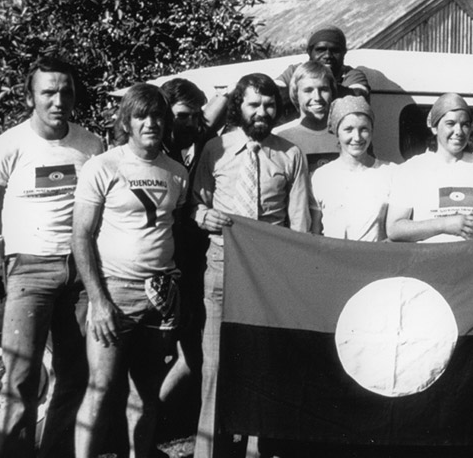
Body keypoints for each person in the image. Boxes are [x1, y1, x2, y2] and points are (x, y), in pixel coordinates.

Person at [0, 57, 104, 458]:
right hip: (30, 270)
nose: (58, 100)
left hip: (81, 273)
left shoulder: (91, 144)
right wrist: (16, 251)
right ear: (30, 95)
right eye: (48, 91)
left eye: (66, 91)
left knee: (75, 374)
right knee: (19, 379)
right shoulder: (6, 146)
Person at [191, 72, 311, 458]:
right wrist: (202, 215)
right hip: (223, 266)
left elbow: (299, 226)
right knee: (216, 367)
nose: (262, 112)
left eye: (269, 105)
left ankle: (258, 451)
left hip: (269, 274)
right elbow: (196, 202)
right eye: (254, 105)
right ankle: (210, 452)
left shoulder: (290, 155)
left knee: (263, 366)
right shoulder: (215, 149)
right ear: (238, 107)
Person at [71, 83, 190, 458]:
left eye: (157, 115)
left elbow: (176, 228)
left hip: (160, 293)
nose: (150, 123)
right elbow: (82, 236)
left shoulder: (177, 172)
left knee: (146, 392)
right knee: (101, 387)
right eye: (141, 116)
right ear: (127, 121)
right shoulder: (104, 165)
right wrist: (98, 300)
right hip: (113, 290)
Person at [157, 78, 212, 435]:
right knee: (147, 360)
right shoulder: (156, 156)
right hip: (157, 271)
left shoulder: (198, 148)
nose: (189, 124)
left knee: (193, 357)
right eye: (181, 116)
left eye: (194, 117)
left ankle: (149, 423)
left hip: (189, 270)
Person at [387, 92, 473, 243]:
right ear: (434, 127)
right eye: (450, 124)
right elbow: (394, 228)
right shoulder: (411, 169)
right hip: (430, 260)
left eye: (465, 125)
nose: (458, 131)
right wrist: (444, 225)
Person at [310, 95, 395, 241]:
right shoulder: (321, 176)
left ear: (372, 131)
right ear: (337, 132)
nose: (357, 137)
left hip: (375, 259)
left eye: (364, 129)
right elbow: (314, 232)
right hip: (333, 260)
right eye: (348, 129)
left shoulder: (390, 172)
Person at [273, 26, 370, 120]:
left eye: (335, 50)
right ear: (309, 52)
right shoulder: (296, 70)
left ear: (344, 52)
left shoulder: (351, 74)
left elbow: (356, 99)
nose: (328, 55)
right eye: (321, 50)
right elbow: (272, 92)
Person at [274, 61, 340, 173]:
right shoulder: (279, 137)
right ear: (296, 94)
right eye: (308, 90)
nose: (317, 97)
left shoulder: (346, 134)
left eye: (323, 89)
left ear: (332, 92)